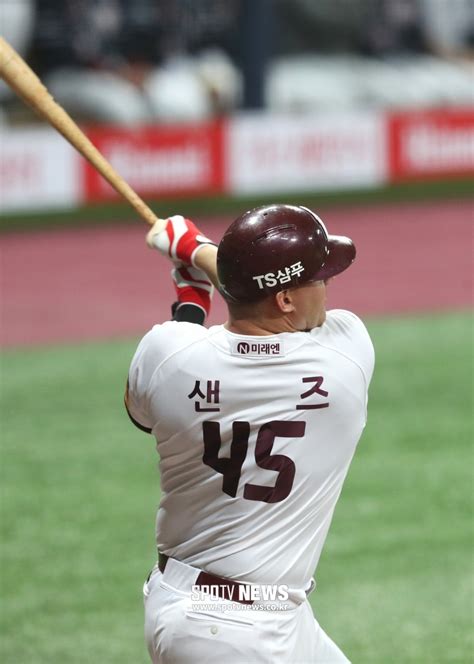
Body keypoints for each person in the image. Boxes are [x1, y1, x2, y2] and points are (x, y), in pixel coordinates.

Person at [125, 204, 375, 663]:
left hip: (202, 609)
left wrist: (190, 303)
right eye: (318, 278)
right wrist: (195, 248)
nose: (327, 287)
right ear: (285, 300)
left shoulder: (165, 353)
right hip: (232, 634)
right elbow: (235, 281)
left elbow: (145, 408)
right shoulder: (346, 355)